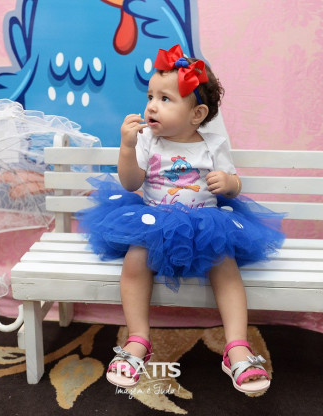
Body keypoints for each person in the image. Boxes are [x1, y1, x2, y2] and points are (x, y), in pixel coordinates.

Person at [77, 44, 284, 397]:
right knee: (135, 262)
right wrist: (126, 148)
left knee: (225, 266)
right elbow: (130, 183)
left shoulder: (213, 145)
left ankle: (236, 346)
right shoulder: (147, 140)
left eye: (165, 99)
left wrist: (228, 183)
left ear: (197, 114)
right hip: (152, 221)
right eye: (150, 96)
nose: (152, 106)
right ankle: (138, 339)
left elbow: (235, 184)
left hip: (206, 224)